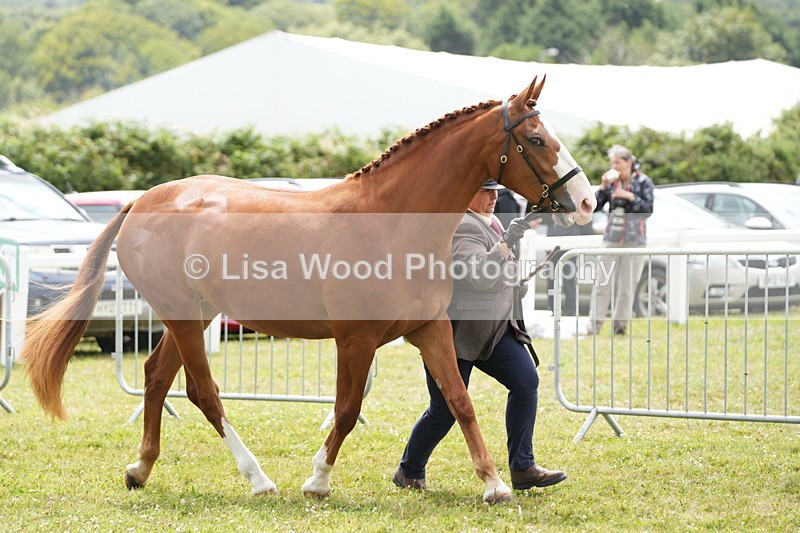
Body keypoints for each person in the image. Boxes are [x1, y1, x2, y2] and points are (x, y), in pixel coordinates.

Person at [393, 179, 566, 492]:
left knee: (526, 382)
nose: (493, 196)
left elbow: (496, 275)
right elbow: (478, 275)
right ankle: (409, 471)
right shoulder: (462, 225)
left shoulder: (491, 221)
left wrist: (513, 284)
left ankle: (523, 467)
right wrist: (506, 243)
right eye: (485, 191)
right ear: (467, 192)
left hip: (496, 329)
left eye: (495, 190)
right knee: (444, 411)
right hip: (458, 335)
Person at [587, 145, 654, 335]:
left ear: (629, 162)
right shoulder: (611, 183)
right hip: (611, 239)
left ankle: (620, 328)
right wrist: (602, 187)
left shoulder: (643, 182)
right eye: (612, 163)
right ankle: (593, 327)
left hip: (635, 241)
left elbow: (648, 210)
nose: (615, 166)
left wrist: (629, 196)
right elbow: (594, 206)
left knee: (627, 288)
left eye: (618, 162)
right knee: (602, 284)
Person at [545, 214, 594, 316]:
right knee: (552, 280)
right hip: (551, 243)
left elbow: (585, 222)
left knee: (569, 280)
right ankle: (553, 309)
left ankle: (571, 310)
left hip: (569, 243)